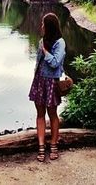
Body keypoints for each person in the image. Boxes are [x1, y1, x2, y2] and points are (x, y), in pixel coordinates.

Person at [28, 12, 66, 162]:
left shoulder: (60, 43)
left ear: (49, 26)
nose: (41, 26)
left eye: (43, 24)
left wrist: (45, 51)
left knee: (52, 114)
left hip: (51, 82)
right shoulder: (42, 41)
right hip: (40, 81)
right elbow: (38, 63)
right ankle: (41, 146)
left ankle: (54, 145)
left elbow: (55, 62)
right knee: (40, 114)